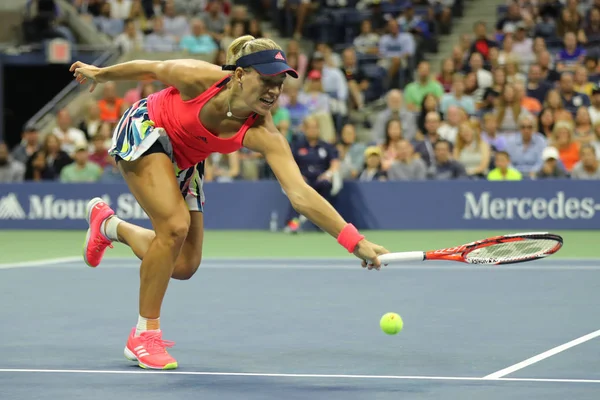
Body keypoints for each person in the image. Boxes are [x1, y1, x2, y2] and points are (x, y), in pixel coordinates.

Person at [70, 35, 389, 371]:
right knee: (175, 226)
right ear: (239, 75)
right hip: (146, 128)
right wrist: (100, 73)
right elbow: (151, 68)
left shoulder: (264, 132)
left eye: (279, 83)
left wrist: (356, 241)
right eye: (266, 81)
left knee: (184, 264)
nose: (273, 91)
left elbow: (300, 194)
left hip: (184, 158)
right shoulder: (199, 78)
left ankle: (108, 226)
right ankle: (143, 335)